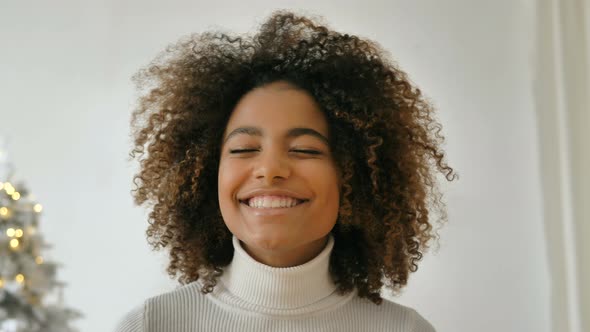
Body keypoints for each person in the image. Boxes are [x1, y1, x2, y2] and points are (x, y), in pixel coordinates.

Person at [115, 9, 457, 332]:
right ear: (207, 175)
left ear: (357, 177)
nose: (270, 169)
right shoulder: (153, 325)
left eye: (305, 150)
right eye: (244, 149)